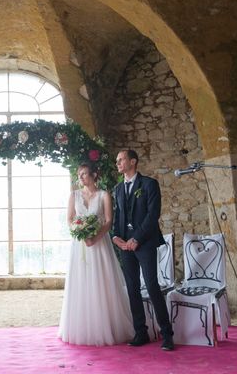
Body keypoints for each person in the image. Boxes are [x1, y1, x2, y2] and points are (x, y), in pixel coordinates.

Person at [58, 162, 134, 346]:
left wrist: (95, 237)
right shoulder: (74, 195)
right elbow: (69, 219)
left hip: (100, 244)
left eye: (84, 174)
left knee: (102, 281)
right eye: (79, 175)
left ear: (94, 175)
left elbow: (108, 221)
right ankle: (82, 326)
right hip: (80, 245)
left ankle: (106, 327)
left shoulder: (104, 195)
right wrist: (81, 233)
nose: (81, 177)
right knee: (81, 281)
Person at [112, 149, 174, 351]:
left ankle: (167, 334)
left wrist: (137, 238)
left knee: (152, 286)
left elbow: (152, 215)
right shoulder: (118, 189)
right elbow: (118, 216)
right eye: (117, 161)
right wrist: (116, 238)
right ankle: (141, 332)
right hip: (125, 246)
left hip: (145, 243)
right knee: (132, 289)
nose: (118, 163)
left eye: (121, 160)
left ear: (133, 162)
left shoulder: (149, 184)